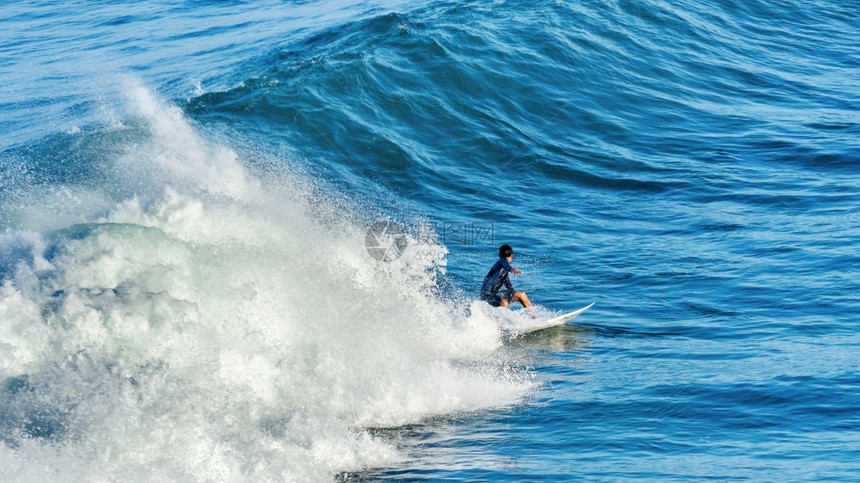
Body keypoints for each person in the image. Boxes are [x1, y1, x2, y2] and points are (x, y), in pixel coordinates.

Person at [480, 244, 537, 318]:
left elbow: (509, 286)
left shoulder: (503, 271)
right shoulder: (501, 261)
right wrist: (511, 269)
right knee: (504, 303)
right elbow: (505, 263)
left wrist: (514, 295)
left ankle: (535, 318)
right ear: (512, 255)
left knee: (521, 294)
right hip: (487, 295)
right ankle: (502, 323)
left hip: (496, 294)